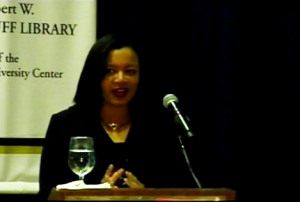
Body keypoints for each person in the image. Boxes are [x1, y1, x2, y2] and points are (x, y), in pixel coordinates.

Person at [38, 33, 198, 200]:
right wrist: (93, 197)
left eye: (130, 71)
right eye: (110, 71)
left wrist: (147, 197)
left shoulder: (160, 127)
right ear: (94, 75)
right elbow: (47, 195)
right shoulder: (65, 125)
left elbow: (184, 192)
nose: (121, 79)